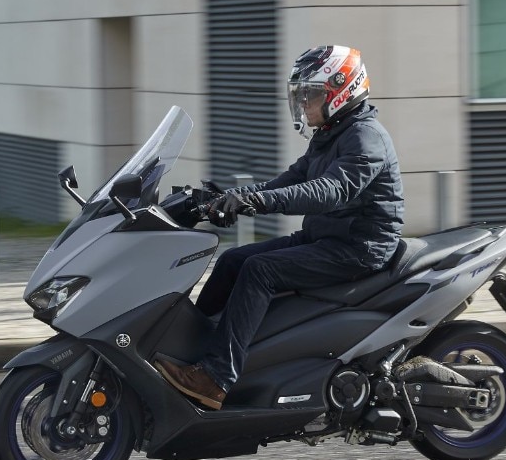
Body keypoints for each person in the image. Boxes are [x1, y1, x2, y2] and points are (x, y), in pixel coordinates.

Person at [155, 45, 405, 410]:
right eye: (301, 95)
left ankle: (215, 378)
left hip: (358, 247)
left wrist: (259, 201)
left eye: (311, 94)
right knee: (232, 261)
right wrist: (229, 198)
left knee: (260, 270)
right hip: (326, 236)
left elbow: (331, 191)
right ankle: (192, 349)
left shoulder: (365, 138)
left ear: (341, 91)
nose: (303, 103)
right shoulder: (332, 134)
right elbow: (289, 180)